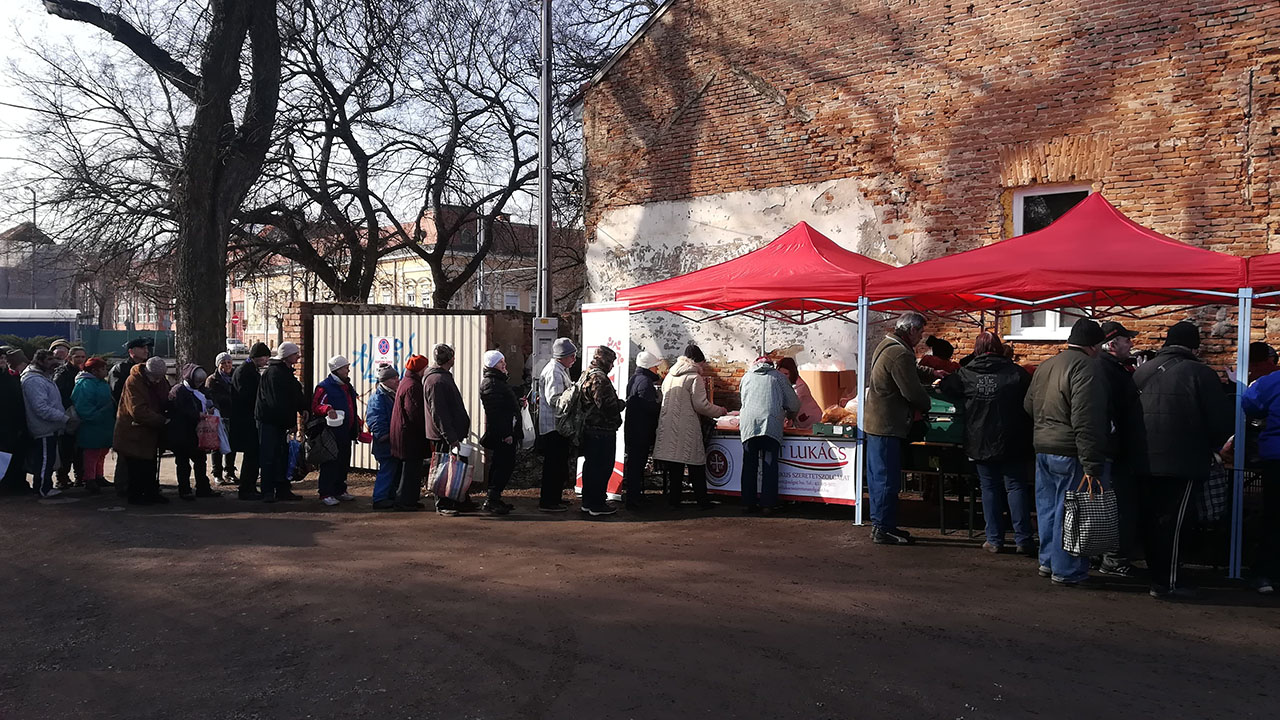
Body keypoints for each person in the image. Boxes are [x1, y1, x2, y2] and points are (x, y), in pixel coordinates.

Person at [1133, 322, 1233, 599]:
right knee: (1175, 523)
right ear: (1195, 346)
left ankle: (1156, 576)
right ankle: (1170, 582)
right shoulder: (1201, 373)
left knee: (1152, 519)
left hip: (1142, 459)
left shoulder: (1142, 371)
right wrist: (1215, 449)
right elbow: (1220, 420)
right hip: (1183, 459)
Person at [1024, 318, 1108, 587]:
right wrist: (1092, 462)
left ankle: (1048, 561)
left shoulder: (1047, 365)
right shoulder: (1087, 367)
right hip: (1070, 450)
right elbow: (1087, 419)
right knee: (1069, 512)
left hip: (1043, 447)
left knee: (1048, 508)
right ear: (1094, 346)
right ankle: (1067, 569)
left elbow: (1028, 404)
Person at [940, 332, 1034, 554]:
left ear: (977, 350)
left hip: (980, 438)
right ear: (1000, 349)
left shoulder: (966, 373)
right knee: (1016, 487)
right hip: (1013, 438)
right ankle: (1023, 539)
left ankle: (994, 539)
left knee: (989, 488)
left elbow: (945, 386)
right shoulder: (1016, 373)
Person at [863, 312, 933, 545]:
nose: (921, 337)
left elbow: (907, 369)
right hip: (887, 424)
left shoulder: (887, 344)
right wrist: (926, 403)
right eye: (920, 332)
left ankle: (880, 525)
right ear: (911, 330)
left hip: (876, 423)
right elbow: (911, 391)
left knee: (878, 478)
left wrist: (931, 373)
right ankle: (883, 528)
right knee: (886, 480)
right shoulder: (900, 352)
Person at [652, 342, 727, 509]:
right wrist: (720, 411)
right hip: (687, 428)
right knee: (696, 465)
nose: (703, 366)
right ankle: (702, 501)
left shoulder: (669, 377)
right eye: (702, 363)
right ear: (697, 362)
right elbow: (701, 405)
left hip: (668, 426)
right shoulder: (694, 378)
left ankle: (674, 501)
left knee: (675, 467)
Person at [1095, 321, 1143, 577]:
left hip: (1109, 449)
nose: (1131, 344)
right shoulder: (1108, 370)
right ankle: (1112, 558)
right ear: (1113, 344)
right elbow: (1121, 408)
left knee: (1105, 505)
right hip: (1114, 451)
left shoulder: (1109, 367)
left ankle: (1100, 554)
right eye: (1127, 340)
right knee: (1116, 506)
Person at [738, 355, 800, 514]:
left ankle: (747, 502)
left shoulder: (746, 376)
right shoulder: (778, 377)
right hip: (770, 424)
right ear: (771, 365)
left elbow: (742, 399)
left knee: (749, 465)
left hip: (748, 424)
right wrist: (790, 415)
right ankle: (768, 504)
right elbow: (793, 403)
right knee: (769, 464)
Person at [115, 357, 171, 505]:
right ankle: (136, 495)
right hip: (133, 430)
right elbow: (137, 410)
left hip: (151, 431)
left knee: (150, 463)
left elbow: (166, 398)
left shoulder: (161, 382)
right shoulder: (133, 381)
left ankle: (151, 492)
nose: (157, 381)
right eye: (155, 378)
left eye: (160, 378)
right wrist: (161, 420)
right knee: (136, 466)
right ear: (147, 372)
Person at [424, 343, 471, 516]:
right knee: (443, 469)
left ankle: (461, 500)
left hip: (448, 433)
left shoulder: (441, 377)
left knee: (456, 468)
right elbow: (439, 414)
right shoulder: (437, 380)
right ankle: (443, 503)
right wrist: (451, 437)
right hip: (444, 435)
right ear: (451, 358)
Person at [257, 342, 307, 503]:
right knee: (269, 456)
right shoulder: (274, 374)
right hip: (270, 422)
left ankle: (282, 488)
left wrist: (302, 408)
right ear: (286, 356)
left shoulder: (285, 373)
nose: (298, 357)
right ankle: (268, 490)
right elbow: (277, 403)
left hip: (279, 422)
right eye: (295, 354)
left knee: (282, 456)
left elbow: (294, 394)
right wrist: (289, 422)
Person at [579, 346, 626, 516]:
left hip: (591, 429)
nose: (612, 366)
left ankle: (588, 501)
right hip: (602, 430)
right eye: (611, 362)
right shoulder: (600, 379)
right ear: (604, 361)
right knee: (602, 467)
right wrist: (621, 404)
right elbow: (606, 406)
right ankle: (597, 504)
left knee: (591, 467)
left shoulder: (587, 374)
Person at [312, 355, 364, 506]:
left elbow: (351, 406)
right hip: (331, 433)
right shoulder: (325, 387)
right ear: (337, 369)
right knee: (330, 462)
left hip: (347, 431)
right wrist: (327, 409)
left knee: (343, 461)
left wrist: (357, 421)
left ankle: (340, 490)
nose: (348, 370)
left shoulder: (347, 386)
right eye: (345, 367)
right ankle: (325, 492)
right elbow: (316, 406)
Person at [166, 364, 220, 500]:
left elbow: (210, 400)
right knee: (183, 463)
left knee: (200, 461)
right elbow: (179, 410)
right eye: (197, 382)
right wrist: (197, 414)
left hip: (198, 433)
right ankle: (184, 490)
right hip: (182, 432)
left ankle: (203, 488)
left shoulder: (202, 390)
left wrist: (211, 407)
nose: (199, 384)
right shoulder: (179, 391)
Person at [22, 349, 71, 499]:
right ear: (40, 361)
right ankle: (43, 488)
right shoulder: (34, 380)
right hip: (42, 428)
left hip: (50, 427)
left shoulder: (44, 377)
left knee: (48, 459)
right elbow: (40, 408)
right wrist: (64, 418)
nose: (53, 363)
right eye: (49, 360)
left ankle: (44, 486)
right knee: (44, 460)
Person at [536, 337, 578, 512]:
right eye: (572, 356)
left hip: (556, 425)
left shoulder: (560, 369)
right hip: (554, 426)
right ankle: (549, 501)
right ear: (564, 356)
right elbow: (554, 399)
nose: (574, 360)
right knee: (554, 465)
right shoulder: (554, 371)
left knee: (558, 464)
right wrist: (573, 394)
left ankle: (555, 497)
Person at [479, 350, 522, 516]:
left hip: (504, 431)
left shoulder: (497, 381)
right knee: (503, 465)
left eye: (503, 361)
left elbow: (503, 405)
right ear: (492, 365)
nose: (504, 365)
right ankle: (492, 499)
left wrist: (517, 402)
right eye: (500, 362)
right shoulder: (492, 383)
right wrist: (506, 434)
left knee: (503, 464)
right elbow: (495, 412)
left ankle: (494, 498)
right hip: (502, 433)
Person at [389, 354, 431, 511]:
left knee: (409, 469)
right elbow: (414, 413)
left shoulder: (407, 382)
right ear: (420, 369)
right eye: (425, 367)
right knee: (411, 470)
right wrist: (426, 429)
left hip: (404, 434)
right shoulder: (413, 386)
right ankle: (405, 501)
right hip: (410, 436)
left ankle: (408, 499)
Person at [623, 351, 663, 510]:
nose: (657, 370)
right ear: (650, 367)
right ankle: (634, 498)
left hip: (634, 430)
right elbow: (649, 408)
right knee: (636, 466)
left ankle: (635, 496)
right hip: (641, 431)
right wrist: (660, 404)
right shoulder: (645, 382)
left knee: (635, 465)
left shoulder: (634, 379)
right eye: (655, 367)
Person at [231, 343, 271, 500]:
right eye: (265, 357)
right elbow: (246, 396)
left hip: (247, 419)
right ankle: (246, 488)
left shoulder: (248, 370)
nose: (266, 360)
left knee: (252, 455)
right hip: (246, 421)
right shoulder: (245, 372)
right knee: (251, 455)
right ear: (258, 357)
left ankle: (250, 486)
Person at [72, 357, 115, 494]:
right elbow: (82, 406)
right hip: (91, 424)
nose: (105, 371)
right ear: (94, 370)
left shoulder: (101, 383)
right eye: (103, 369)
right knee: (92, 452)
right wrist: (96, 415)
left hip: (104, 423)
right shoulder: (84, 384)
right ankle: (89, 479)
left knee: (102, 451)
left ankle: (99, 476)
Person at [367, 363, 401, 509]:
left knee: (393, 470)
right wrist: (384, 435)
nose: (397, 380)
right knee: (387, 470)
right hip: (385, 442)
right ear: (385, 380)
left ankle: (390, 496)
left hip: (392, 441)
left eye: (397, 377)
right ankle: (380, 498)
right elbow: (375, 419)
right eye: (394, 378)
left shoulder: (391, 394)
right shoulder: (378, 398)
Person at [52, 345, 87, 489]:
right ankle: (62, 478)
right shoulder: (62, 374)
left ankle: (80, 477)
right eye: (77, 357)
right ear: (69, 358)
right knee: (65, 449)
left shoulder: (84, 372)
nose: (80, 359)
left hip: (81, 415)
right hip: (67, 415)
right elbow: (57, 395)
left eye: (82, 357)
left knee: (80, 449)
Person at [204, 352, 238, 485]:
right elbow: (209, 396)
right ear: (218, 365)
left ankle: (230, 471)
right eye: (223, 363)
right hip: (219, 416)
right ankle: (217, 473)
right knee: (216, 445)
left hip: (233, 415)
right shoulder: (212, 380)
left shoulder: (235, 376)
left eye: (229, 362)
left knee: (232, 444)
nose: (227, 365)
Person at [0, 349, 30, 495]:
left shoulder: (12, 378)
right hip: (3, 425)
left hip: (15, 424)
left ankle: (17, 482)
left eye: (3, 358)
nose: (2, 361)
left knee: (17, 455)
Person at [775, 357, 822, 431]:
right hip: (801, 421)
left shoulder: (800, 386)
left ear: (792, 373)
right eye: (781, 374)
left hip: (812, 421)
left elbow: (792, 405)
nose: (783, 377)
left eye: (786, 374)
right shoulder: (785, 384)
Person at [110, 338, 152, 404]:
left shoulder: (149, 368)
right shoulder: (120, 369)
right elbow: (116, 393)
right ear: (131, 351)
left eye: (147, 348)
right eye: (143, 348)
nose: (146, 351)